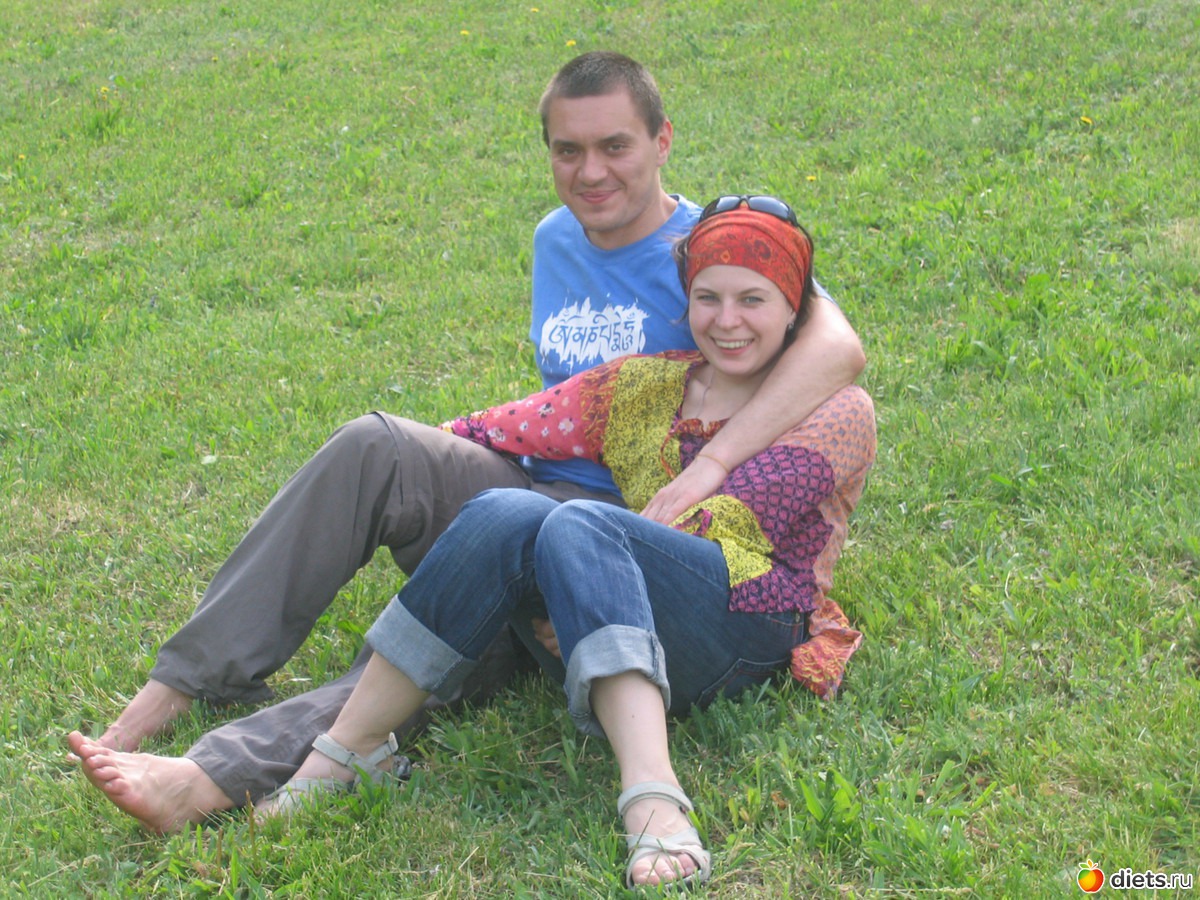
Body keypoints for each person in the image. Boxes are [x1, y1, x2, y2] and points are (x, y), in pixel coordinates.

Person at [89, 52, 865, 810]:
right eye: (568, 150)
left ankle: (219, 773)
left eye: (614, 146)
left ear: (661, 142)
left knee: (468, 615)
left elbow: (837, 349)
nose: (591, 172)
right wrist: (431, 462)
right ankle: (188, 677)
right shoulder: (555, 238)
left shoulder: (714, 251)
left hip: (632, 536)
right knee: (377, 447)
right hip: (530, 489)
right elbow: (556, 408)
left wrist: (712, 464)